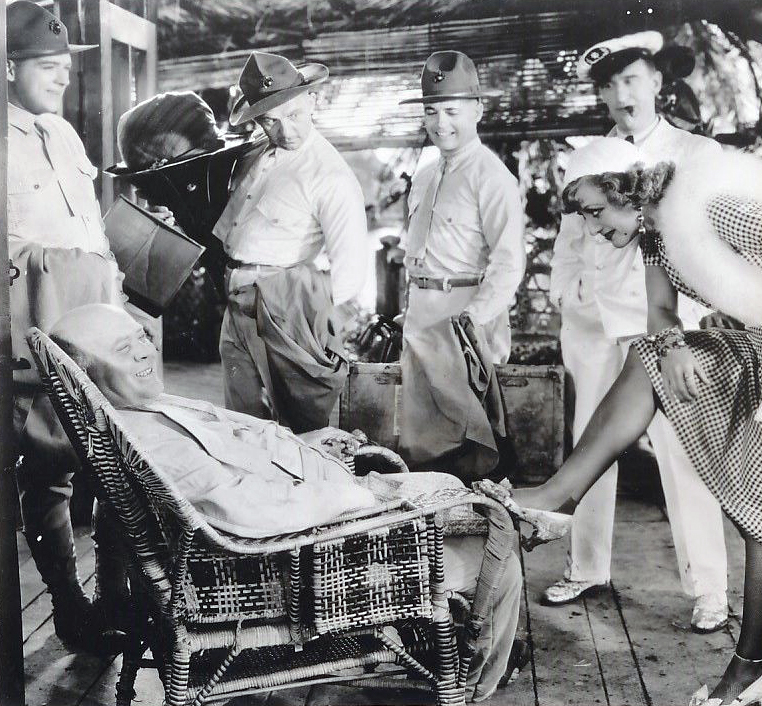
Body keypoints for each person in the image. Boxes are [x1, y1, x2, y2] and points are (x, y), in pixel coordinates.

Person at [477, 141, 762, 706]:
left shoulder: (712, 208)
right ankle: (559, 497)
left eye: (595, 210)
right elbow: (658, 314)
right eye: (581, 215)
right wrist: (674, 344)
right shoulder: (655, 234)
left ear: (626, 188)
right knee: (648, 355)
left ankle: (750, 670)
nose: (591, 226)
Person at [49, 303, 523, 702]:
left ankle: (499, 539)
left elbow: (234, 463)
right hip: (310, 563)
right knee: (498, 546)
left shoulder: (140, 415)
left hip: (318, 521)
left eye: (140, 337)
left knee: (458, 493)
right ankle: (471, 679)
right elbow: (244, 512)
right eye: (122, 349)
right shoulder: (151, 442)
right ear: (89, 374)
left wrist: (304, 446)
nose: (144, 350)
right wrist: (365, 493)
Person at [545, 31, 730, 631]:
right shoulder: (591, 152)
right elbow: (573, 234)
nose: (622, 95)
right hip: (596, 320)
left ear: (657, 82)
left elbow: (709, 241)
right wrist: (566, 289)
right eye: (610, 85)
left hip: (666, 324)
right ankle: (586, 564)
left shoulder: (695, 153)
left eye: (633, 79)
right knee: (590, 440)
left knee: (683, 454)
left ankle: (708, 588)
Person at [6, 0, 129, 654]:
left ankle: (117, 596)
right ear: (7, 67)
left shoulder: (66, 136)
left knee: (115, 460)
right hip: (33, 333)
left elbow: (92, 233)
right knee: (48, 471)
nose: (62, 80)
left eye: (64, 68)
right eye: (48, 67)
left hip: (93, 326)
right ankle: (67, 601)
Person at [214, 52, 368, 429]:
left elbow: (350, 272)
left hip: (283, 305)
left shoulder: (330, 175)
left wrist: (317, 331)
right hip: (235, 300)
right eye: (270, 120)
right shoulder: (253, 156)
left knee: (298, 427)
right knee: (241, 419)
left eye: (294, 115)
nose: (285, 132)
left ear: (312, 100)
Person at [397, 51, 526, 481]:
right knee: (419, 448)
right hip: (423, 319)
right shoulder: (427, 174)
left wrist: (474, 319)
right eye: (432, 111)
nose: (441, 123)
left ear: (477, 110)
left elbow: (509, 262)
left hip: (464, 321)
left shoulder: (492, 176)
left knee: (469, 452)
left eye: (452, 111)